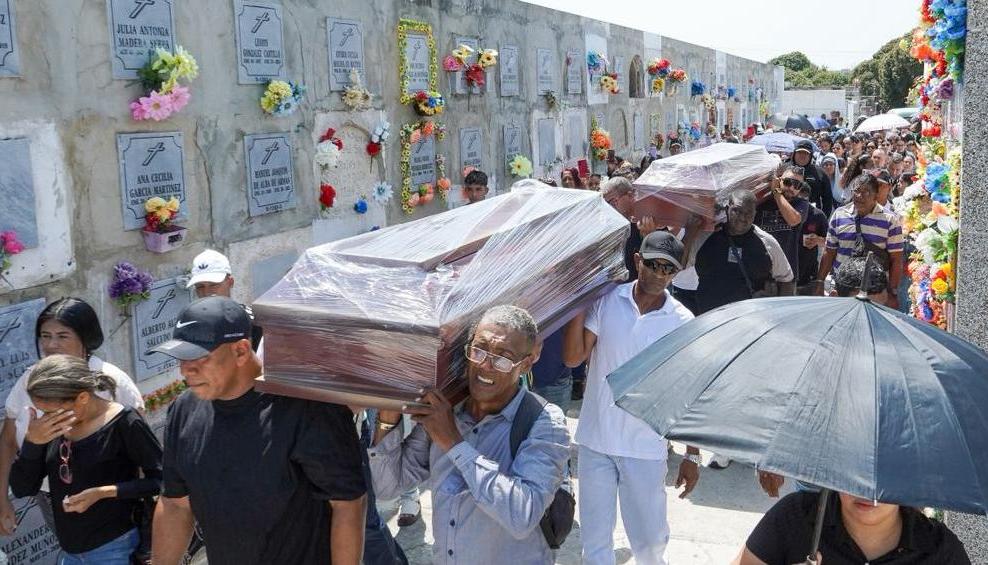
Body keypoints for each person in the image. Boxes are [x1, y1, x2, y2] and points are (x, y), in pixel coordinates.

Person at [150, 297, 367, 565]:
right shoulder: (184, 410)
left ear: (241, 350)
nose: (186, 370)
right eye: (181, 358)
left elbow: (347, 505)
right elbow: (175, 504)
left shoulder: (307, 408)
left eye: (199, 357)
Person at [368, 305, 571, 565]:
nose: (485, 365)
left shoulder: (544, 422)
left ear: (527, 362)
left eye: (502, 358)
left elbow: (522, 515)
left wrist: (454, 443)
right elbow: (387, 487)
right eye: (479, 350)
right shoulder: (447, 412)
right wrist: (388, 413)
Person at [562, 231, 700, 565]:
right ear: (637, 260)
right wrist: (581, 298)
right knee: (595, 545)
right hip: (596, 442)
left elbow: (687, 391)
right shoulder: (608, 300)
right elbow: (573, 358)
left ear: (676, 273)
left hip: (645, 448)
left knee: (650, 545)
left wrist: (692, 455)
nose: (659, 274)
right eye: (653, 265)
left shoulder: (682, 322)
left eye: (668, 269)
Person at [0, 298, 144, 537]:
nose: (51, 345)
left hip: (108, 502)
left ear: (85, 339)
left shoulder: (111, 382)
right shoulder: (30, 380)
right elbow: (7, 441)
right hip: (51, 498)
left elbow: (140, 453)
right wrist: (2, 499)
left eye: (62, 336)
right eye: (45, 336)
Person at [9, 355, 162, 564]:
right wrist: (32, 443)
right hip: (69, 551)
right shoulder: (51, 428)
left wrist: (103, 493)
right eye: (43, 411)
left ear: (82, 398)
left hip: (115, 547)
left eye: (53, 411)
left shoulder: (124, 422)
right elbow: (22, 488)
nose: (47, 418)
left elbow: (162, 481)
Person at [736, 490, 970, 564]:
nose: (867, 490)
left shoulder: (941, 549)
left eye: (884, 474)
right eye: (856, 470)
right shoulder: (795, 515)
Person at [815, 175, 904, 309]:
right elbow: (829, 251)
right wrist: (820, 281)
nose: (859, 195)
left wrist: (892, 292)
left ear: (876, 195)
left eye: (865, 192)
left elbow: (896, 260)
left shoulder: (890, 221)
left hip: (874, 292)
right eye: (856, 191)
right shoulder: (839, 215)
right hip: (842, 287)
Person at [695, 190, 773, 314]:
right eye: (737, 210)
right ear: (727, 209)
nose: (743, 217)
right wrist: (691, 230)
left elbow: (787, 279)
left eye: (748, 213)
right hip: (709, 317)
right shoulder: (707, 236)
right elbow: (682, 264)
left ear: (755, 214)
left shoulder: (767, 242)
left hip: (748, 320)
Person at [186, 249, 263, 350]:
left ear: (230, 282)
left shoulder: (253, 322)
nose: (206, 292)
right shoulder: (191, 325)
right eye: (200, 286)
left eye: (213, 285)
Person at [754, 165, 810, 284]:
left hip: (786, 275)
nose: (791, 188)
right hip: (759, 270)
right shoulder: (763, 202)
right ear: (779, 180)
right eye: (788, 182)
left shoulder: (801, 204)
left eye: (797, 185)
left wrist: (776, 192)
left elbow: (793, 220)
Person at [601, 177, 656, 282]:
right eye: (605, 203)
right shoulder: (612, 227)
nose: (609, 208)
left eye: (613, 202)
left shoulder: (650, 220)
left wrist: (650, 238)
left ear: (630, 196)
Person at [789, 140, 833, 217]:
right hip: (787, 213)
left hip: (812, 216)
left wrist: (824, 218)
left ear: (811, 156)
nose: (802, 155)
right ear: (794, 154)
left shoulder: (820, 173)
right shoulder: (785, 170)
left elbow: (827, 199)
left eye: (806, 153)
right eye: (799, 152)